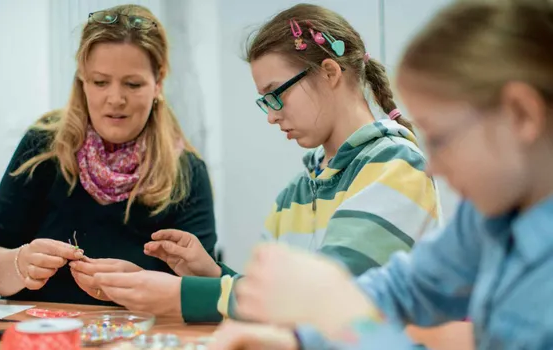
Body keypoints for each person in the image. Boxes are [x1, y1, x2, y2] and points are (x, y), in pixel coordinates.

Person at [214, 0, 553, 348]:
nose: (432, 165)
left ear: (521, 115)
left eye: (439, 138)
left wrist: (336, 309)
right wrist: (300, 339)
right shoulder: (488, 215)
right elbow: (406, 285)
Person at [114, 3, 440, 323]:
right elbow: (271, 302)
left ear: (329, 73)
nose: (271, 115)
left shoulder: (397, 166)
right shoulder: (295, 193)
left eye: (276, 94)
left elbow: (325, 298)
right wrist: (212, 273)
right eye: (265, 102)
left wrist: (181, 295)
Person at [0, 4, 216, 316]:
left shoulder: (186, 171)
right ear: (82, 81)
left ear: (158, 83)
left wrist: (141, 285)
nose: (115, 99)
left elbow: (206, 289)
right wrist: (19, 264)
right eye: (101, 82)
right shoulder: (42, 147)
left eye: (133, 84)